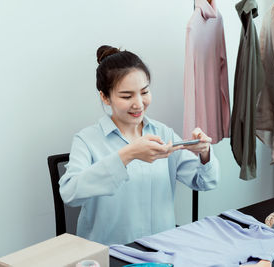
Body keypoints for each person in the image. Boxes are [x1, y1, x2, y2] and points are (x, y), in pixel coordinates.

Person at [59, 45, 219, 245]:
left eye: (144, 92)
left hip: (161, 250)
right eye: (127, 96)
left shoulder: (163, 133)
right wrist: (127, 155)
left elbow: (205, 182)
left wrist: (205, 153)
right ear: (105, 97)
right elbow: (70, 194)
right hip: (111, 254)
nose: (139, 104)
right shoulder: (86, 140)